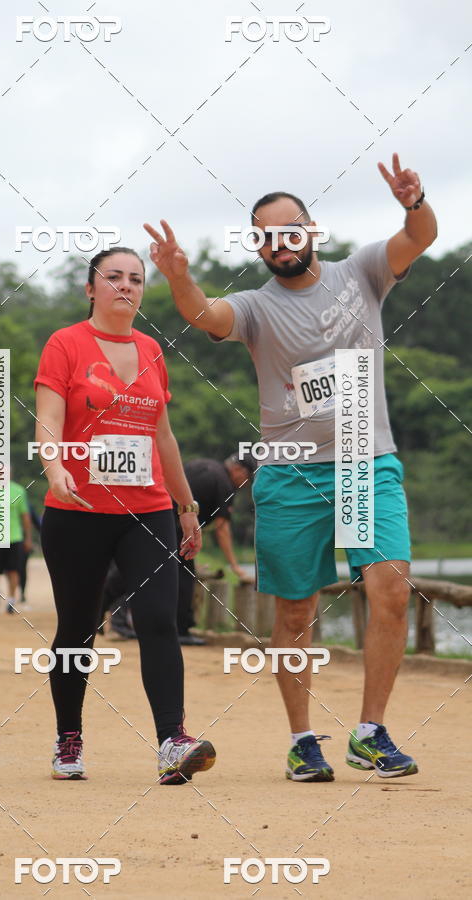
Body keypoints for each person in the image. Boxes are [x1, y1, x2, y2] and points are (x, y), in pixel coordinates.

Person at [145, 152, 437, 781]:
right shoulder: (255, 306)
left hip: (367, 461)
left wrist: (413, 202)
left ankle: (371, 732)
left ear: (311, 231)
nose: (283, 242)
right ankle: (303, 740)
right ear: (260, 245)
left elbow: (421, 237)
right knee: (296, 611)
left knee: (389, 589)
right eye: (269, 236)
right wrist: (176, 278)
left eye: (292, 230)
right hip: (292, 472)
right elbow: (203, 314)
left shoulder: (361, 271)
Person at [34, 246, 216, 784]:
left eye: (135, 279)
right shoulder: (64, 344)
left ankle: (171, 742)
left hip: (148, 509)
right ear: (90, 288)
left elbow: (162, 436)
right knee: (78, 626)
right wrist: (54, 468)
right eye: (112, 277)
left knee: (160, 620)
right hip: (78, 510)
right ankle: (69, 737)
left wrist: (187, 506)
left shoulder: (152, 350)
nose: (125, 287)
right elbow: (48, 420)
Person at [175, 453, 257, 644]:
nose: (246, 483)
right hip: (176, 526)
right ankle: (180, 630)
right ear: (238, 470)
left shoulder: (205, 464)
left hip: (163, 518)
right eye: (247, 478)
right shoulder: (224, 483)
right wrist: (234, 565)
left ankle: (121, 620)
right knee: (184, 576)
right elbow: (223, 529)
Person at [0, 481, 32, 613]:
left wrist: (28, 538)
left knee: (13, 569)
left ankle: (11, 599)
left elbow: (25, 516)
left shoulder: (18, 490)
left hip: (14, 537)